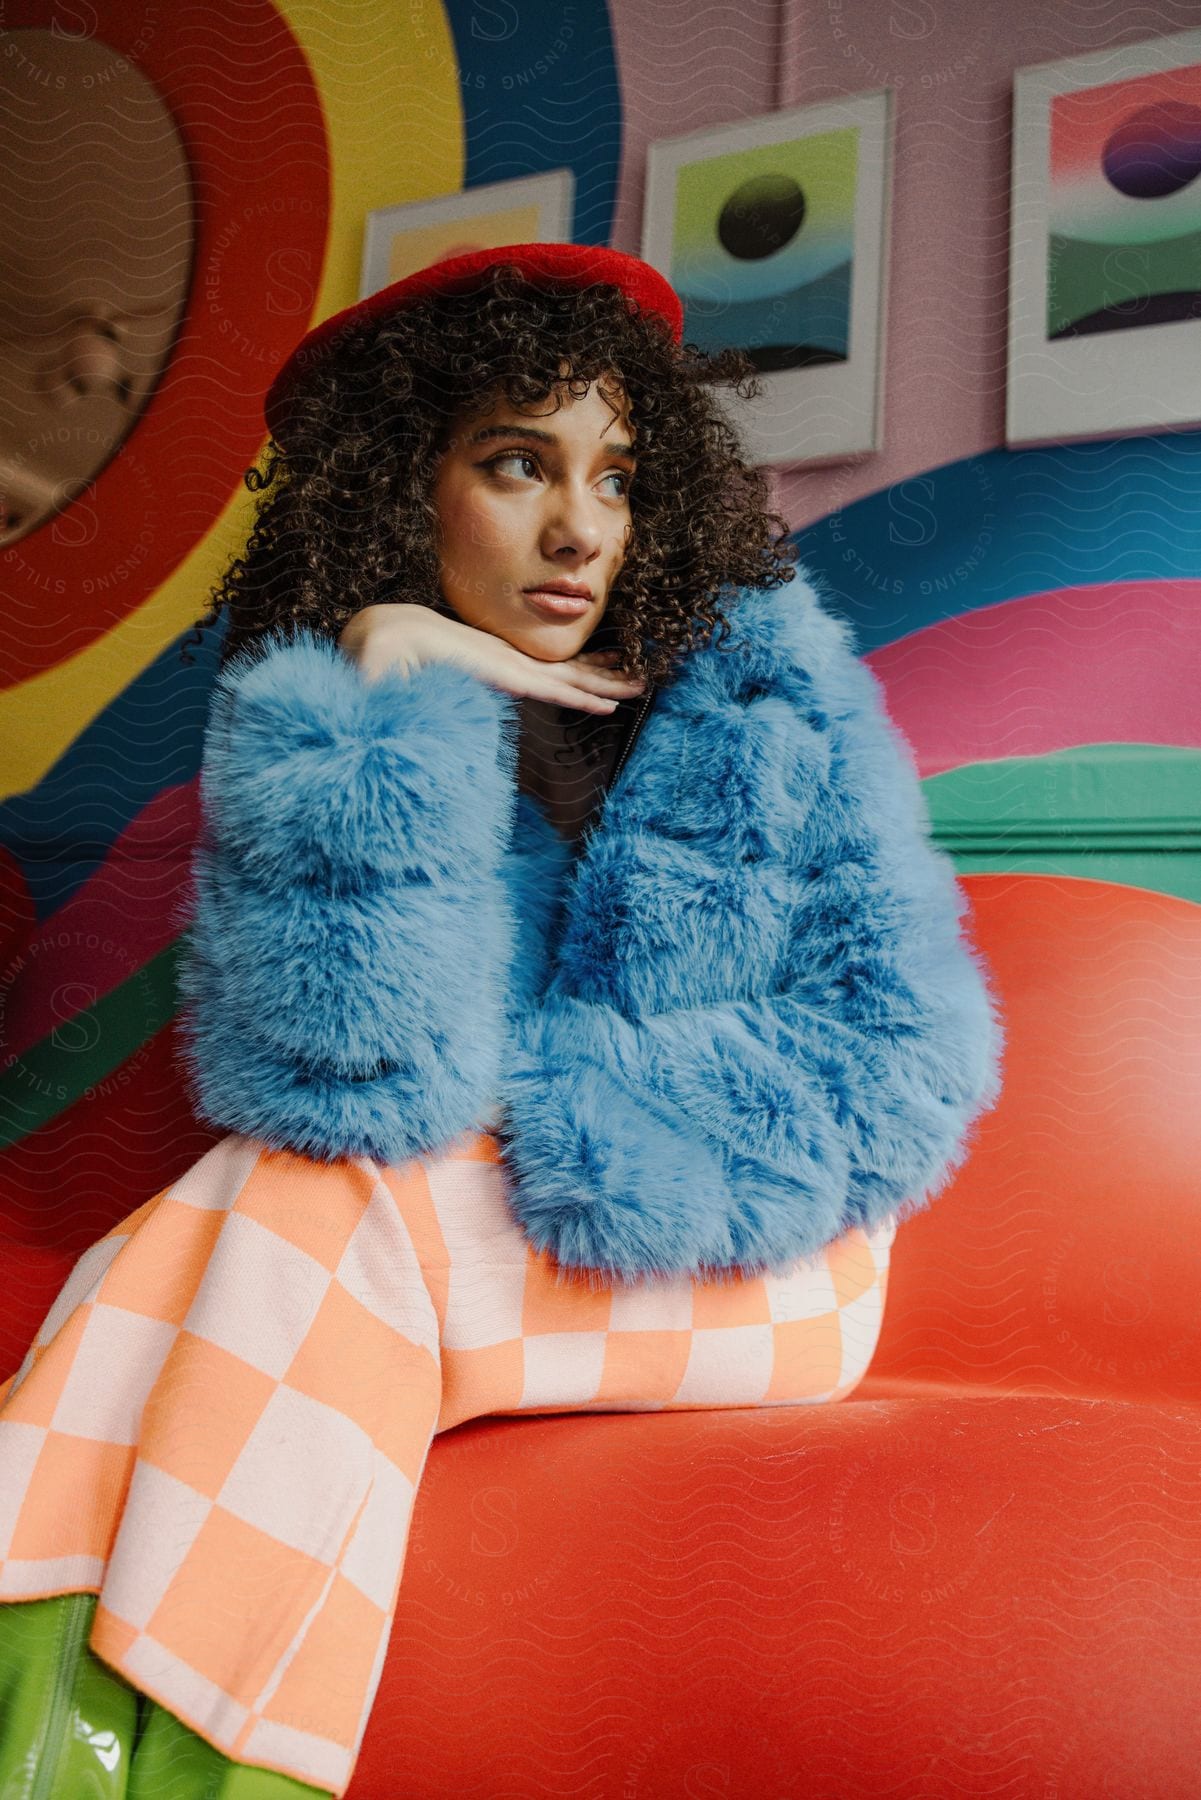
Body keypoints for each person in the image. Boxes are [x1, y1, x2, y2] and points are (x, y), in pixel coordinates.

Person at [0, 244, 1005, 1797]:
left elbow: (904, 1067)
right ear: (405, 489)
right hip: (454, 1217)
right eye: (517, 465)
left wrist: (557, 1111)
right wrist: (384, 705)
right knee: (206, 1232)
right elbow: (343, 1093)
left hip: (775, 1252)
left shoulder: (769, 700)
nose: (576, 530)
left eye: (613, 476)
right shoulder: (350, 715)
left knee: (293, 1225)